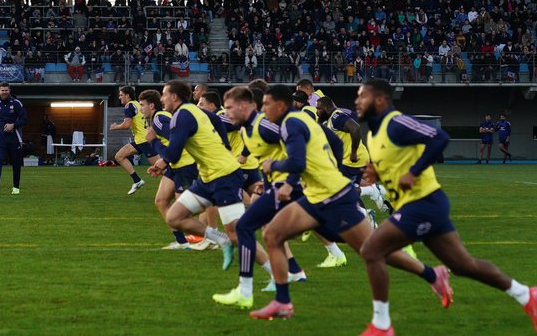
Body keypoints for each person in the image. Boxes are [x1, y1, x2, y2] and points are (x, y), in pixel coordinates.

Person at [355, 78, 537, 336]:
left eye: (362, 96)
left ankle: (381, 325)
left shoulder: (396, 122)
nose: (357, 101)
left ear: (380, 100)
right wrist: (379, 172)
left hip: (423, 204)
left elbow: (439, 137)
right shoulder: (374, 134)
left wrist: (414, 171)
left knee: (371, 249)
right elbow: (395, 161)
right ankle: (526, 294)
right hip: (422, 206)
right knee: (463, 265)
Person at [250, 85, 436, 321]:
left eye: (266, 104)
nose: (263, 109)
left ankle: (429, 274)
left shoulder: (296, 123)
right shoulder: (302, 121)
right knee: (272, 233)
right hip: (316, 194)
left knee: (371, 249)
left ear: (280, 105)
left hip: (333, 195)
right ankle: (283, 301)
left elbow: (297, 161)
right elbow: (334, 146)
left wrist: (273, 167)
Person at [212, 85, 307, 310]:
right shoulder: (246, 131)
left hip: (298, 186)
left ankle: (250, 291)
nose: (225, 114)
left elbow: (299, 153)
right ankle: (287, 278)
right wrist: (264, 187)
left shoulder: (265, 127)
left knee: (250, 228)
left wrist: (292, 182)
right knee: (261, 230)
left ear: (245, 106)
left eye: (229, 108)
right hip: (280, 186)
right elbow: (268, 161)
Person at [151, 79, 242, 269]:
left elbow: (173, 154)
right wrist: (225, 144)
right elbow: (216, 119)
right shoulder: (191, 110)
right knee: (174, 216)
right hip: (207, 174)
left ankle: (279, 275)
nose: (162, 99)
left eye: (165, 94)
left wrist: (154, 142)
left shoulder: (178, 116)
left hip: (222, 173)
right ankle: (217, 238)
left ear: (174, 97)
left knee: (242, 233)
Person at [143, 89, 197, 250]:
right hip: (175, 164)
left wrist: (153, 142)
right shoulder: (159, 119)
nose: (140, 109)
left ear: (152, 105)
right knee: (161, 201)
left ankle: (209, 237)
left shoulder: (159, 119)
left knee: (184, 209)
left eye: (142, 105)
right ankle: (183, 242)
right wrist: (163, 161)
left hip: (186, 164)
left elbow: (177, 140)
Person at [109, 86, 158, 194]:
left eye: (121, 95)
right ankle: (137, 180)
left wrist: (115, 127)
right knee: (119, 156)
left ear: (127, 95)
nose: (119, 97)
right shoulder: (138, 104)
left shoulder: (129, 106)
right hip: (140, 140)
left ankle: (182, 185)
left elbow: (127, 124)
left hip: (144, 141)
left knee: (161, 168)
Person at [0, 82, 26, 195]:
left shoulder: (16, 103)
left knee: (16, 163)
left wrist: (13, 125)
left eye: (6, 90)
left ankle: (16, 187)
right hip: (0, 138)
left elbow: (24, 119)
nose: (4, 92)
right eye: (2, 90)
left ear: (9, 90)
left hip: (15, 138)